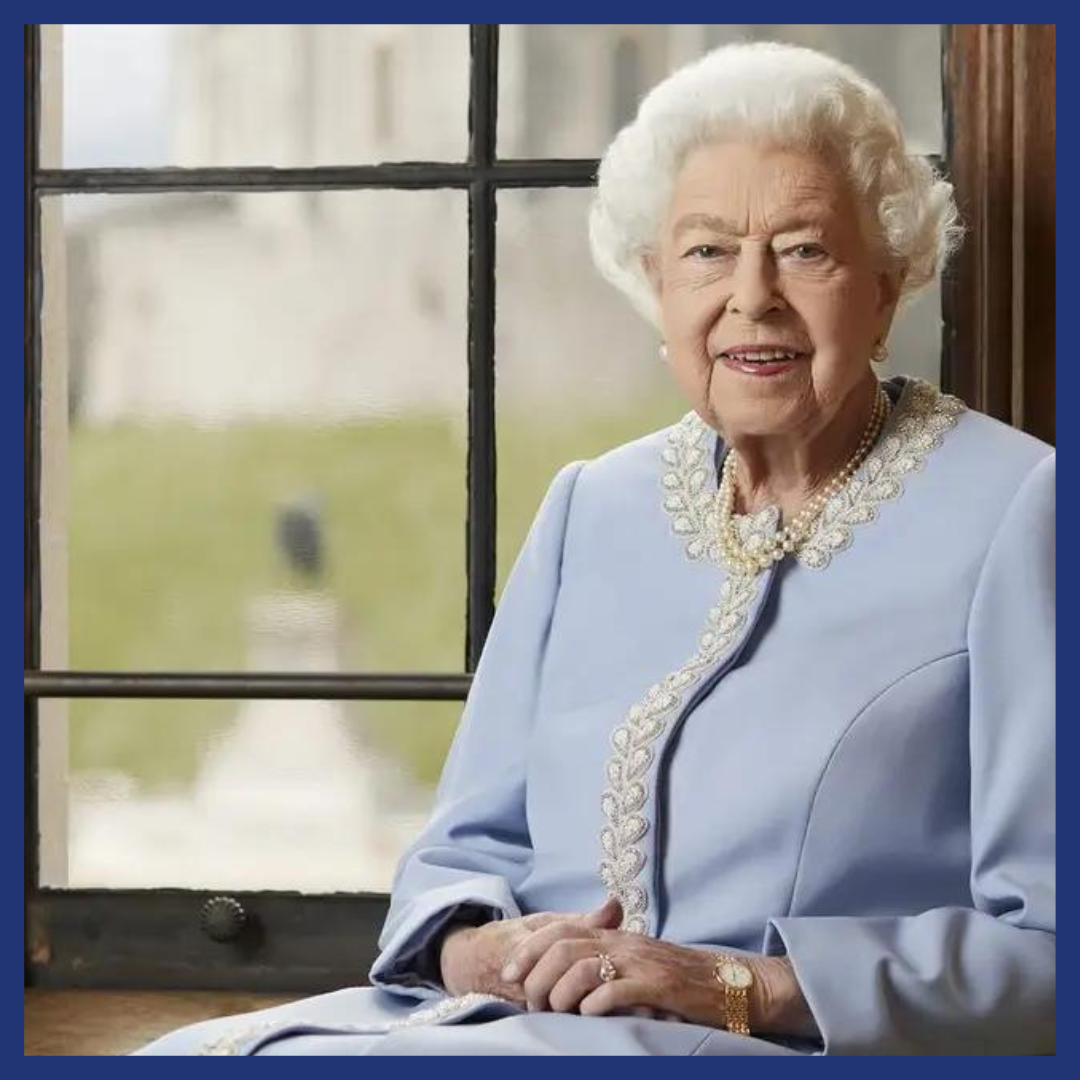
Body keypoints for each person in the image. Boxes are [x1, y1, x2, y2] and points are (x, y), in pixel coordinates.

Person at [135, 40, 1055, 1055]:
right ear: (656, 288)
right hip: (493, 1027)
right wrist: (483, 951)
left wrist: (726, 983)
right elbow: (460, 854)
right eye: (706, 252)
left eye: (803, 249)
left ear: (886, 286)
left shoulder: (1019, 507)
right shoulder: (591, 505)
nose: (753, 296)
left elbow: (1052, 953)